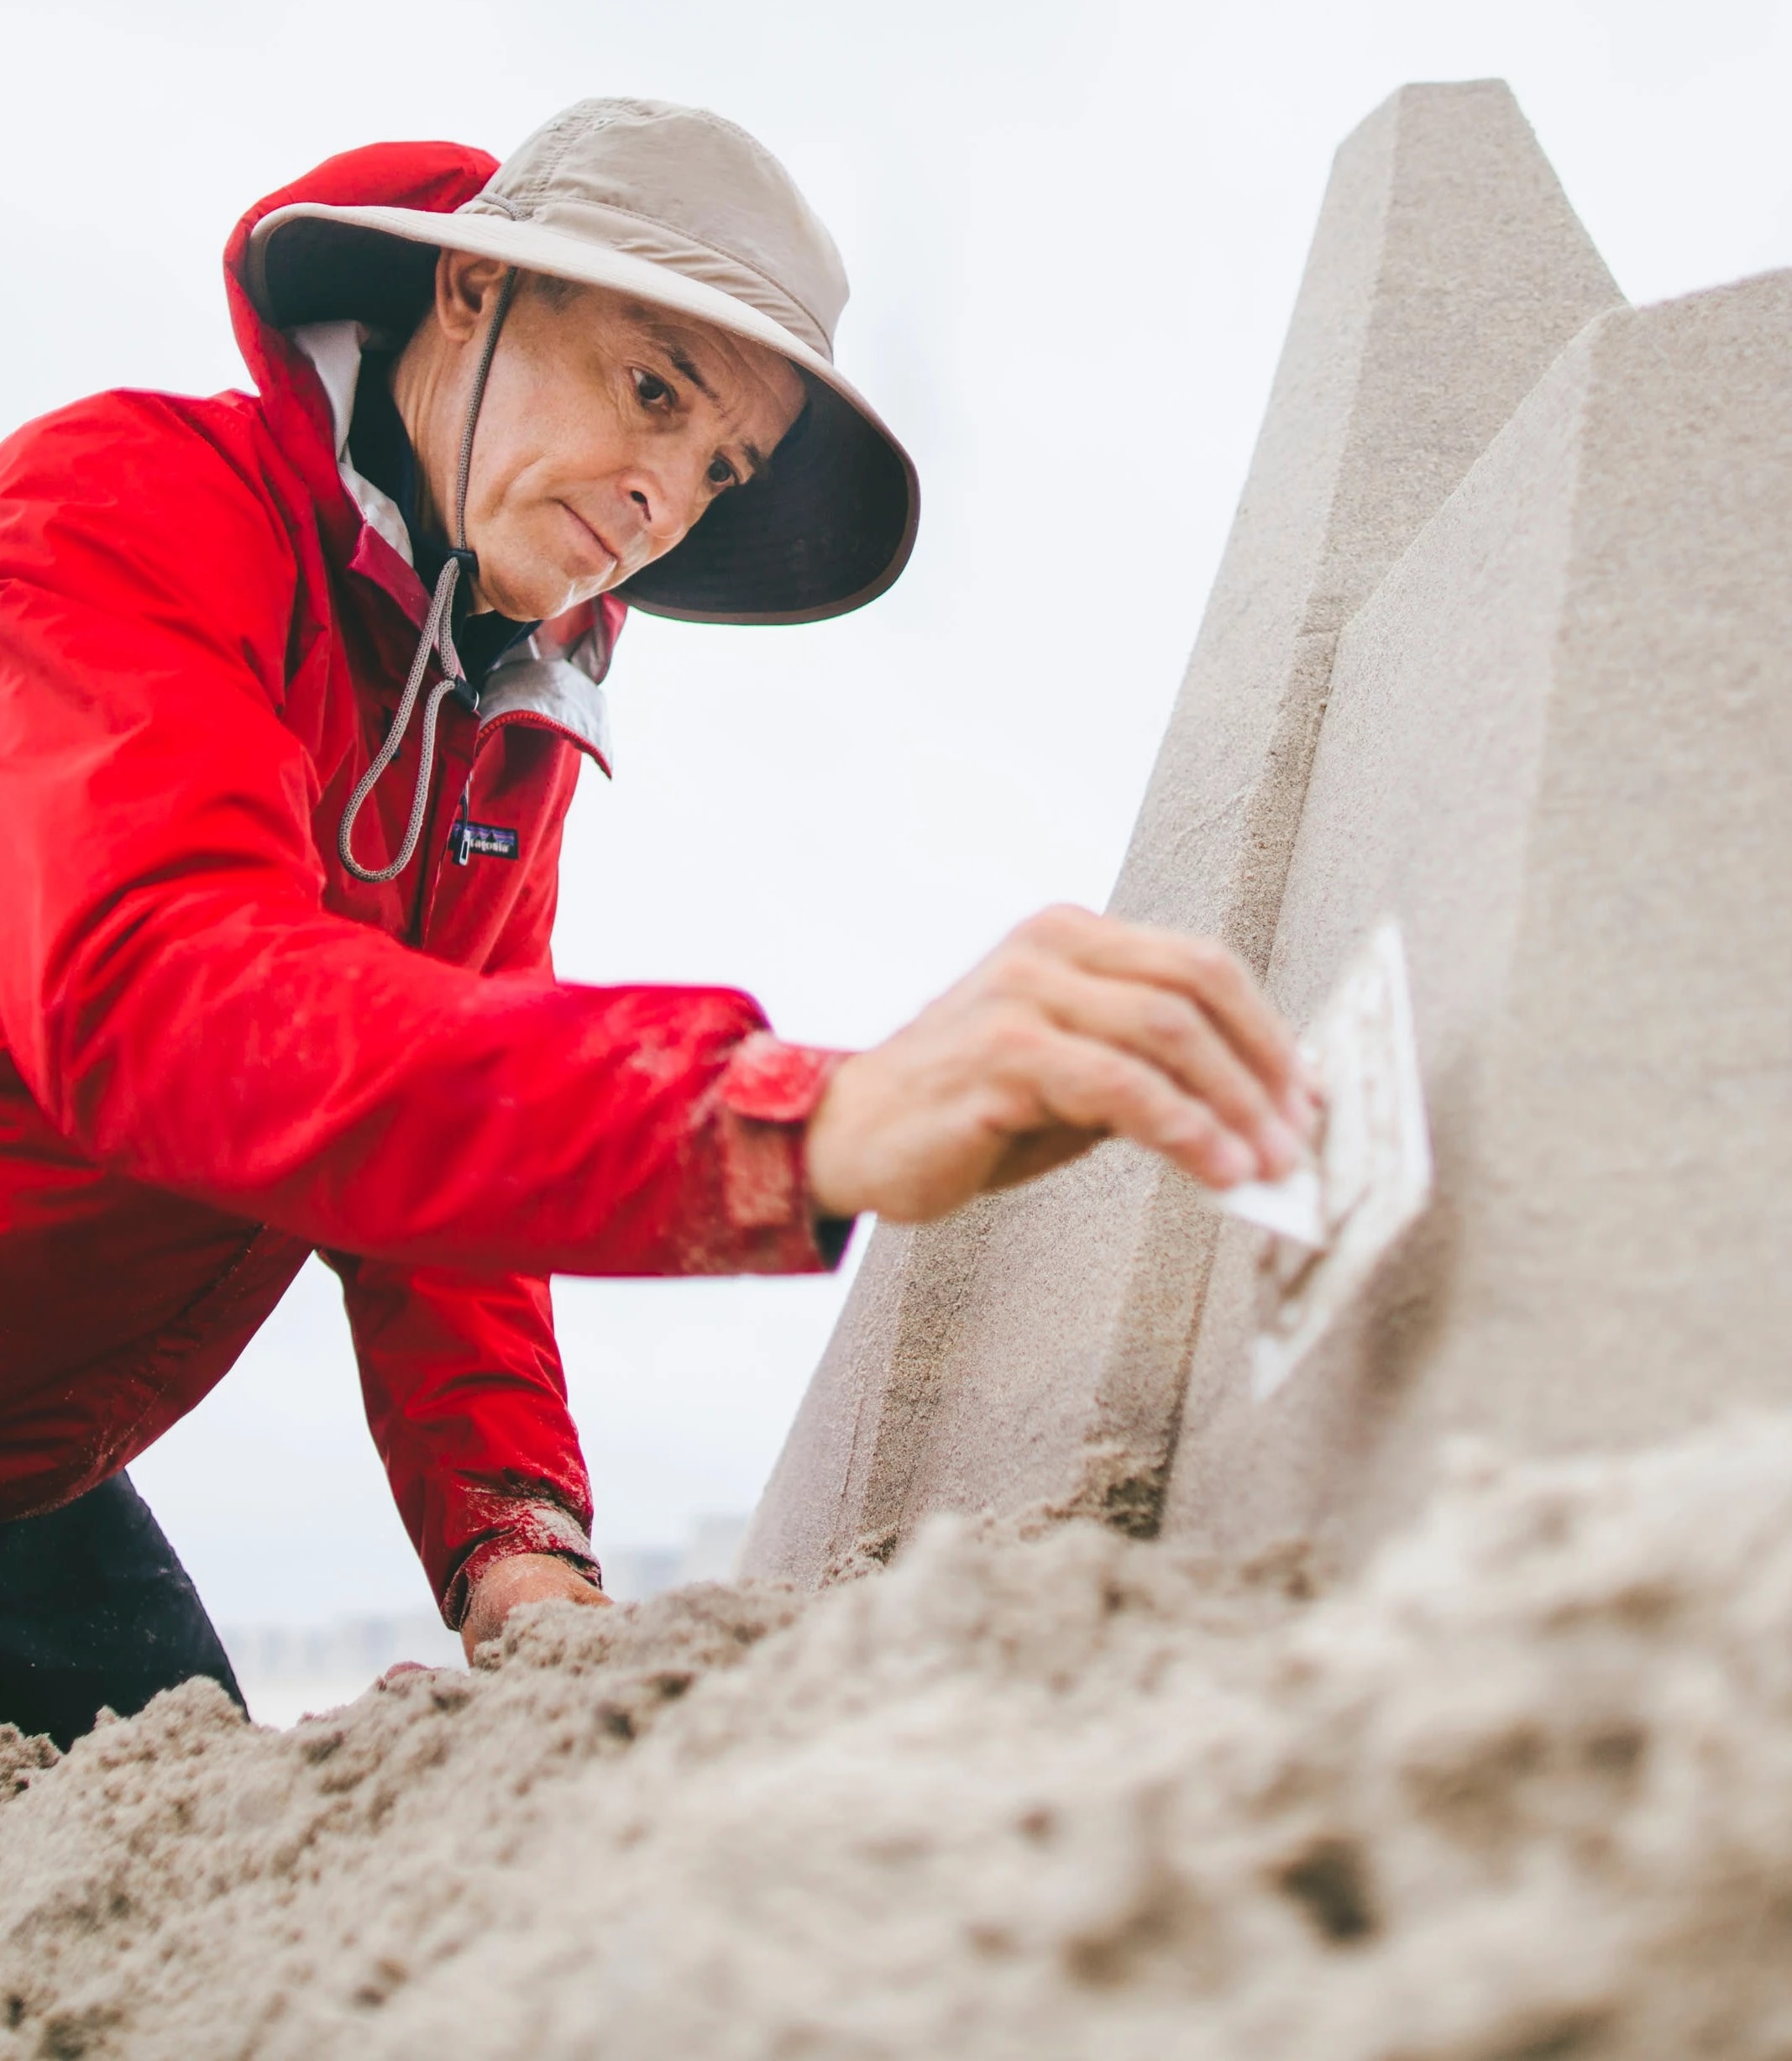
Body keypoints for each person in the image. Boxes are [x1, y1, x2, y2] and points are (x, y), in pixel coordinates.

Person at [0, 99, 1317, 1749]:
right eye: (650, 388)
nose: (664, 498)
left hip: (37, 1465)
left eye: (719, 464)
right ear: (472, 291)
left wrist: (514, 1548)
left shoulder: (507, 717)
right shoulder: (119, 509)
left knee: (161, 1855)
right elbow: (171, 1003)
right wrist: (798, 1113)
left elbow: (427, 1200)